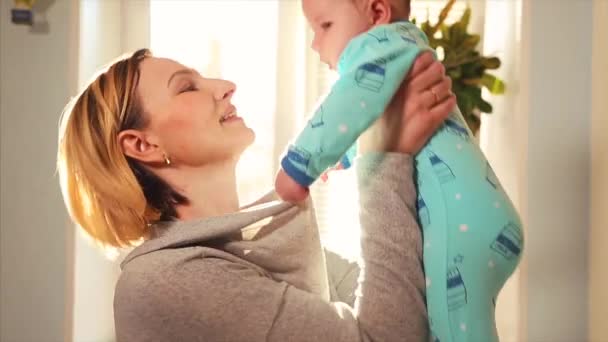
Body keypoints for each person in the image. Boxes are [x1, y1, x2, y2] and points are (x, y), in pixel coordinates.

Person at [56, 47, 453, 341]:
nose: (225, 87)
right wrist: (384, 158)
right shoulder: (170, 280)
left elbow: (405, 298)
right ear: (142, 145)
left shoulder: (248, 250)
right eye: (187, 88)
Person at [274, 1, 524, 341]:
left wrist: (298, 166)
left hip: (459, 227)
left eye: (326, 26)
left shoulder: (378, 44)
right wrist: (344, 157)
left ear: (377, 13)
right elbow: (369, 114)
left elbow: (345, 104)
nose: (316, 44)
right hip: (477, 217)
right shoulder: (401, 49)